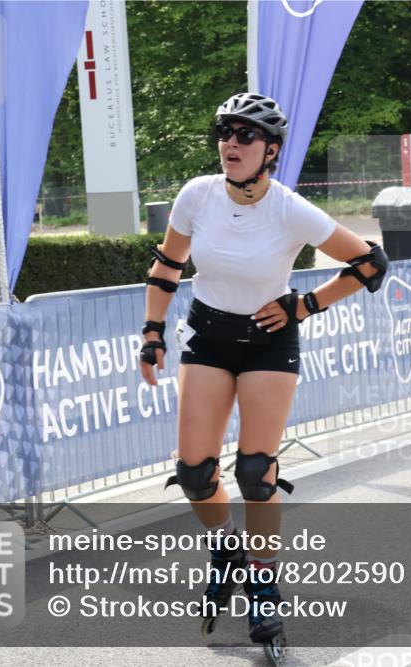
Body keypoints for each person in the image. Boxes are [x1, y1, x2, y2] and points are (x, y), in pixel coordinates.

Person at [138, 92, 387, 656]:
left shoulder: (289, 209)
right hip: (208, 336)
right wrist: (152, 333)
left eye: (245, 135)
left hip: (268, 342)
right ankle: (227, 546)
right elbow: (168, 266)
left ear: (270, 150)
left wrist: (306, 305)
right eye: (225, 132)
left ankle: (264, 584)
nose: (231, 142)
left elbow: (370, 264)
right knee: (195, 472)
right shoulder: (197, 195)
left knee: (255, 471)